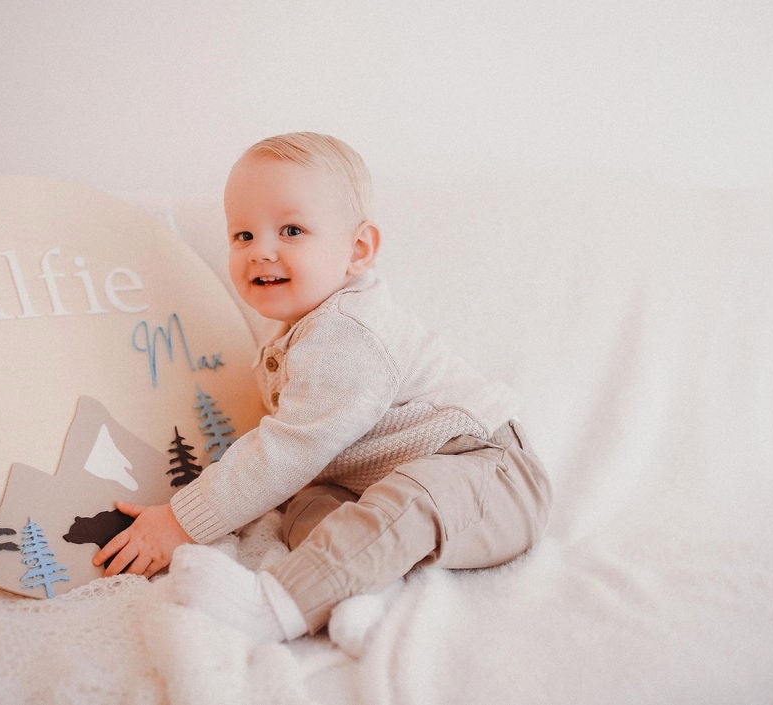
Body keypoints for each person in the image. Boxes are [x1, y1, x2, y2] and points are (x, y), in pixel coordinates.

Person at [94, 132, 552, 647]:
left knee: (407, 501)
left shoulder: (348, 332)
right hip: (382, 480)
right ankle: (357, 594)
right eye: (242, 235)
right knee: (309, 509)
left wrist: (182, 521)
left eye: (291, 230)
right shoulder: (302, 329)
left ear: (357, 250)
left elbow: (288, 449)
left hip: (488, 474)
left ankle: (276, 608)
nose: (260, 251)